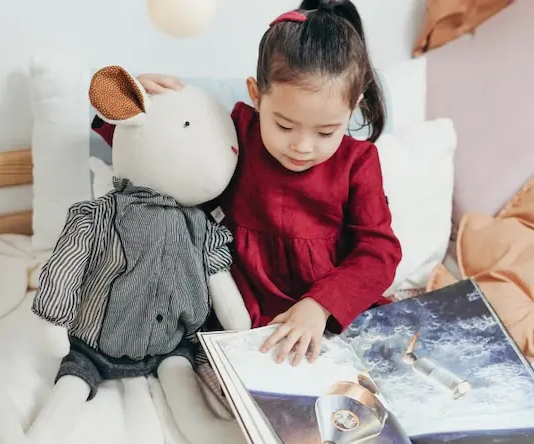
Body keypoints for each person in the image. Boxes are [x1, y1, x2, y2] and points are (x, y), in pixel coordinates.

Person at [94, 0, 402, 368]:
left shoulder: (358, 162)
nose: (302, 146)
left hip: (329, 314)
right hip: (239, 309)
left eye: (326, 131)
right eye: (285, 126)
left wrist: (320, 306)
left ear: (353, 108)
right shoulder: (237, 130)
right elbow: (166, 157)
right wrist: (136, 104)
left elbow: (379, 252)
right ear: (256, 95)